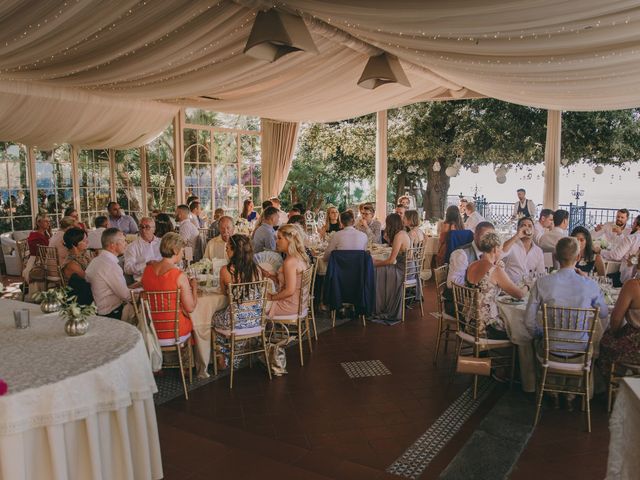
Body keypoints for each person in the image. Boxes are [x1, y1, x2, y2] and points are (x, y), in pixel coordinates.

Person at [524, 237, 608, 358]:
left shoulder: (542, 283)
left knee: (532, 344)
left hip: (550, 348)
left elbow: (528, 322)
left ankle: (542, 375)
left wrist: (542, 334)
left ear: (555, 256)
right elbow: (604, 313)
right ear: (578, 257)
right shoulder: (589, 285)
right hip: (581, 350)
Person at [466, 232, 525, 339]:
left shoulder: (472, 265)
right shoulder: (495, 271)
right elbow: (519, 294)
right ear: (494, 249)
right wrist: (528, 286)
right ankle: (514, 355)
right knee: (522, 328)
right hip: (487, 327)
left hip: (469, 322)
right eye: (500, 249)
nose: (501, 252)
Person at [141, 232, 196, 343]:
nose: (182, 253)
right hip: (175, 332)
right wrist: (194, 287)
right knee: (195, 326)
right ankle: (189, 358)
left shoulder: (147, 270)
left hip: (151, 330)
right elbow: (190, 308)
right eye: (182, 250)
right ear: (175, 251)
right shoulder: (179, 275)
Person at [85, 228, 137, 322]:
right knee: (145, 308)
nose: (126, 244)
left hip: (98, 309)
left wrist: (139, 284)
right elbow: (126, 296)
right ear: (112, 245)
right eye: (123, 241)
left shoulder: (96, 260)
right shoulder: (110, 266)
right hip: (112, 313)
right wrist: (144, 293)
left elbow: (116, 288)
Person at [213, 234, 262, 333]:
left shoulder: (225, 270)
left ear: (235, 251)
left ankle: (225, 347)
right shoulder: (257, 269)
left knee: (211, 318)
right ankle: (242, 344)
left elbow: (224, 293)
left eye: (227, 248)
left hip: (236, 320)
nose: (226, 250)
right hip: (257, 318)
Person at [371, 213, 415, 323]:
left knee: (376, 271)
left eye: (387, 223)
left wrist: (375, 263)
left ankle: (380, 306)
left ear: (391, 224)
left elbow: (391, 261)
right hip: (409, 268)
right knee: (380, 268)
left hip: (403, 271)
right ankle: (380, 304)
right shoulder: (403, 233)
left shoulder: (399, 236)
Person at [262, 224, 310, 317]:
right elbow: (290, 283)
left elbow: (289, 291)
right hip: (299, 303)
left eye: (279, 238)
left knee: (253, 306)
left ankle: (262, 329)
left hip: (289, 305)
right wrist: (271, 276)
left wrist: (272, 297)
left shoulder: (290, 262)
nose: (276, 242)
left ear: (289, 240)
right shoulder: (298, 256)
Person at [599, 278, 640, 376]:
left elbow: (616, 320)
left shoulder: (633, 285)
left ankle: (609, 385)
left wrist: (614, 333)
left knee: (604, 343)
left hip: (634, 346)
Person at [447, 221, 495, 288]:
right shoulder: (461, 254)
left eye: (490, 237)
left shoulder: (490, 252)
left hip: (481, 295)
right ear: (474, 235)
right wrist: (478, 286)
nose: (487, 240)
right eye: (484, 236)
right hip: (459, 297)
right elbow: (451, 283)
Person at [502, 217, 545, 284]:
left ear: (534, 230)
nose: (527, 228)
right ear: (518, 229)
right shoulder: (512, 245)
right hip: (510, 287)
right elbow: (502, 252)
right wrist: (517, 236)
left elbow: (541, 274)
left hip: (528, 288)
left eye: (530, 226)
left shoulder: (538, 251)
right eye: (523, 226)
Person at [61, 227, 93, 305]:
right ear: (74, 244)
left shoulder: (83, 254)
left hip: (89, 290)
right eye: (84, 241)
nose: (87, 242)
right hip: (79, 299)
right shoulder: (72, 264)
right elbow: (89, 279)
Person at [124, 217, 162, 281]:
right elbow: (127, 269)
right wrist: (145, 265)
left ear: (154, 229)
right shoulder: (132, 246)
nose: (143, 230)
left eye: (147, 227)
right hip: (142, 282)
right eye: (141, 227)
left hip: (163, 278)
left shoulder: (162, 243)